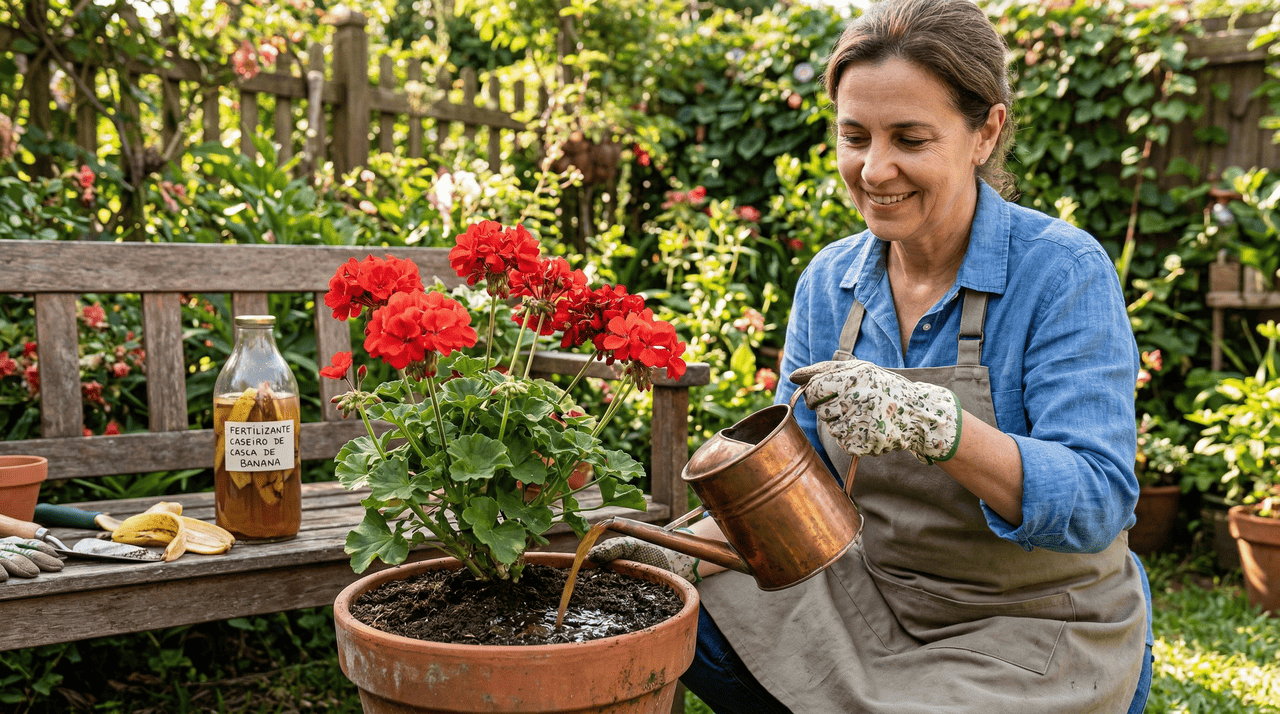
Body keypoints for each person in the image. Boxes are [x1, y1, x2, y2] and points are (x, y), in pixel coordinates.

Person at [589, 0, 1154, 711]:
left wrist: (942, 428)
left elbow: (1100, 498)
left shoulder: (1060, 272)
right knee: (672, 609)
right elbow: (800, 481)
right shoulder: (832, 282)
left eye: (910, 139)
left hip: (1035, 624)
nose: (875, 169)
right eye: (854, 136)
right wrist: (677, 550)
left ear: (986, 132)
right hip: (874, 598)